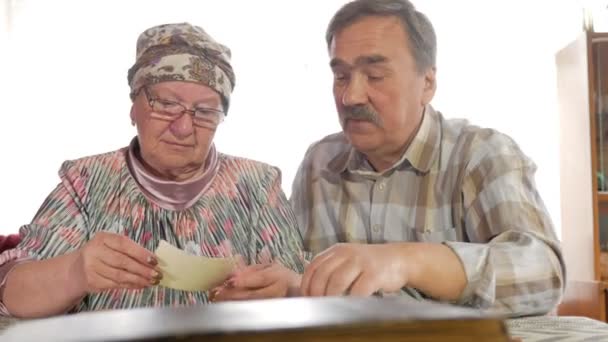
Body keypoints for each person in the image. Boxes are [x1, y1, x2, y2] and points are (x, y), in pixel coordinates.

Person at [217, 0, 565, 317]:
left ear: (427, 83)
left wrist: (407, 260)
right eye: (340, 76)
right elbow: (306, 276)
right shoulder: (319, 164)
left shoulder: (481, 154)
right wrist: (288, 285)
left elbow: (543, 274)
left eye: (375, 76)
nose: (351, 95)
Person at [0, 22, 305, 318]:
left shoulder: (257, 184)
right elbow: (12, 291)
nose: (184, 127)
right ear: (134, 105)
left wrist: (288, 290)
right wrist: (73, 272)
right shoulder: (87, 180)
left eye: (206, 111)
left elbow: (299, 285)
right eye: (166, 103)